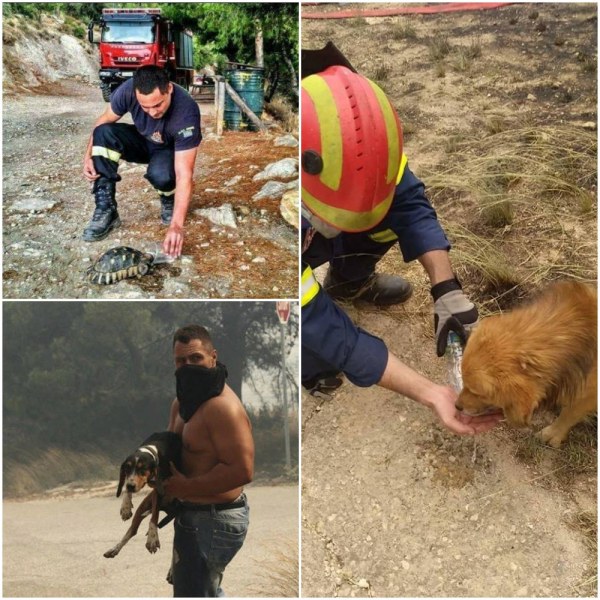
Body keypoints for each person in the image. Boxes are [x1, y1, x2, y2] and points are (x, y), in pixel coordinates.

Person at [301, 43, 501, 436]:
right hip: (296, 259)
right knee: (299, 328)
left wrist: (447, 290)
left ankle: (348, 280)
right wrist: (429, 392)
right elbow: (318, 324)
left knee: (389, 221)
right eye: (337, 219)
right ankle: (312, 370)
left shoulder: (369, 139)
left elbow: (409, 204)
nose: (345, 226)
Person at [164, 324, 254, 597]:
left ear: (213, 357)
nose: (188, 366)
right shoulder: (183, 404)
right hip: (193, 516)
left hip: (214, 520)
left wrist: (184, 488)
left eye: (196, 358)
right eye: (181, 361)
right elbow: (171, 450)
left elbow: (242, 470)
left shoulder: (222, 407)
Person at [82, 66, 201, 257]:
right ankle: (106, 209)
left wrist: (177, 226)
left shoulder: (187, 113)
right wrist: (88, 156)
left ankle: (168, 197)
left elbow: (185, 174)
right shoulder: (128, 90)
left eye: (158, 105)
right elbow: (103, 121)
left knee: (162, 175)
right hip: (141, 141)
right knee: (104, 133)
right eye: (145, 107)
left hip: (166, 150)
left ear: (169, 89)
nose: (152, 112)